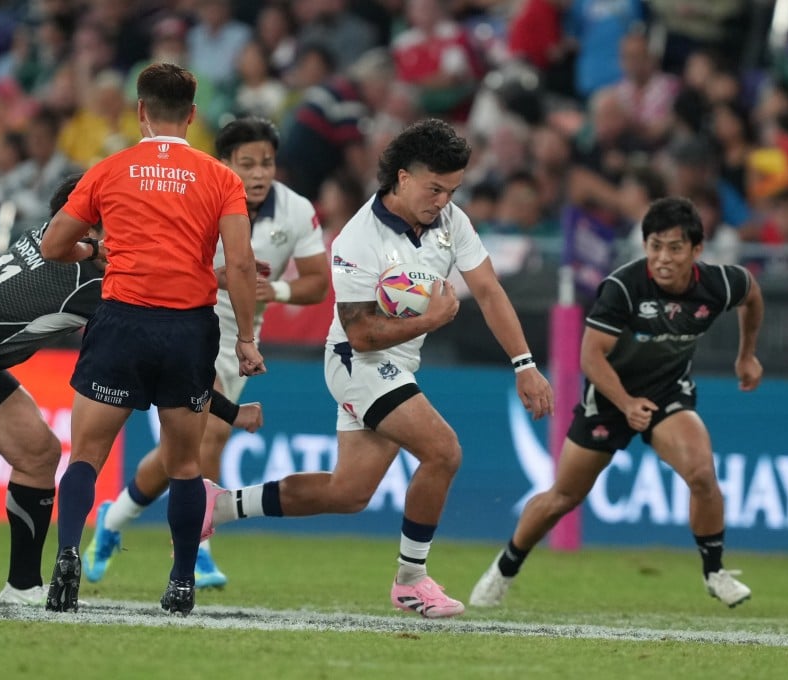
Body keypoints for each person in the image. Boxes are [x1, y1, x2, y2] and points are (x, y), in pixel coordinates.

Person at [202, 118, 554, 618]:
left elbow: (491, 291)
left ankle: (218, 506)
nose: (443, 200)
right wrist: (431, 318)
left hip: (398, 363)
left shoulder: (451, 221)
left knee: (349, 493)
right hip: (357, 362)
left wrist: (524, 365)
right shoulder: (356, 240)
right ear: (403, 178)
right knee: (443, 452)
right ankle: (411, 579)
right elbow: (362, 333)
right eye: (435, 188)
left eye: (452, 190)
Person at [0, 174, 260, 607]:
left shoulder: (44, 239)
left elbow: (148, 283)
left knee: (39, 453)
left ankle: (23, 587)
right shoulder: (85, 280)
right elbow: (160, 336)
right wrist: (232, 412)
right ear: (88, 229)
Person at [39, 62, 264, 616]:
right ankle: (182, 581)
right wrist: (247, 339)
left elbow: (51, 246)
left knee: (87, 456)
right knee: (185, 463)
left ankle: (68, 557)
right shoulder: (221, 177)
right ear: (191, 116)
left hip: (121, 321)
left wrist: (95, 251)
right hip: (187, 327)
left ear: (140, 111)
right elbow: (239, 263)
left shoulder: (109, 169)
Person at [469, 196, 764, 610]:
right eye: (655, 246)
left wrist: (746, 355)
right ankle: (505, 567)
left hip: (668, 394)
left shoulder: (719, 283)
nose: (663, 258)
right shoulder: (623, 287)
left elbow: (752, 295)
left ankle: (715, 572)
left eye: (675, 248)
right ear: (644, 246)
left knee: (702, 474)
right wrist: (625, 403)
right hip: (609, 399)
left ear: (697, 250)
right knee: (563, 497)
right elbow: (590, 356)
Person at [83, 116, 329, 588]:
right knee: (212, 435)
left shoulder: (297, 210)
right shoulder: (199, 192)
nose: (258, 174)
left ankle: (114, 519)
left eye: (267, 163)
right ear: (225, 164)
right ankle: (198, 549)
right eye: (247, 164)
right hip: (189, 324)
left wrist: (271, 289)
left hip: (241, 338)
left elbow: (317, 284)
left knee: (182, 448)